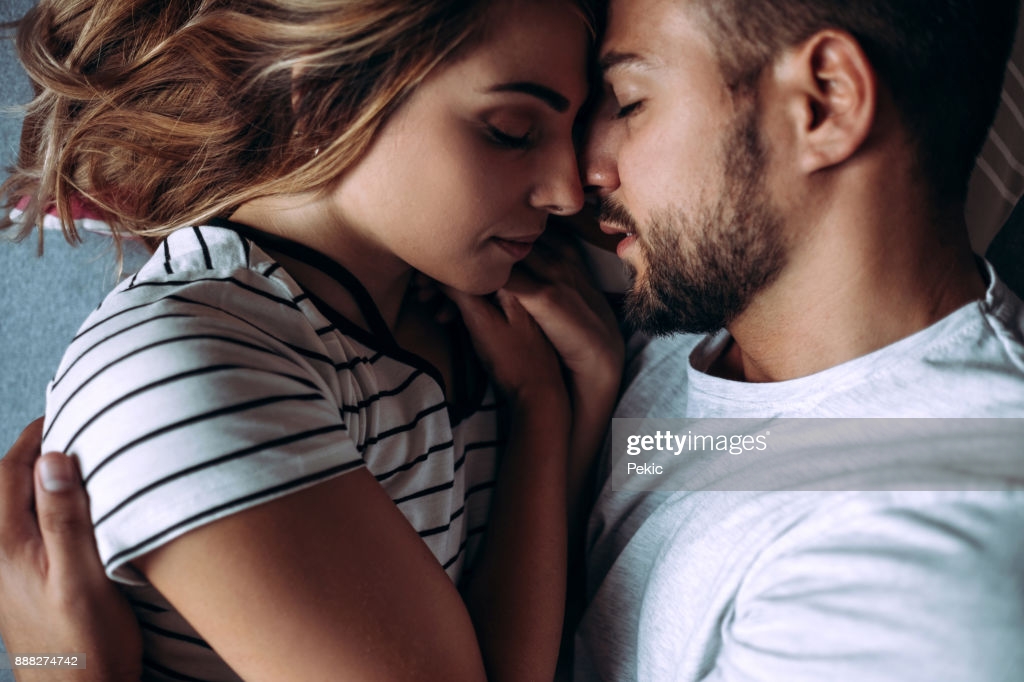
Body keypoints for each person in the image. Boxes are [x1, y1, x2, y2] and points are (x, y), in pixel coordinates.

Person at [6, 0, 1024, 680]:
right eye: (521, 129)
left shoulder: (918, 562)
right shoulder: (692, 373)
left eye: (626, 101)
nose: (581, 175)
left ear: (825, 103)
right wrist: (559, 415)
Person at [0, 0, 624, 680]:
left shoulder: (473, 325)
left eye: (575, 126)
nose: (568, 191)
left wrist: (561, 399)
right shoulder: (189, 367)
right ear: (328, 101)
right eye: (511, 130)